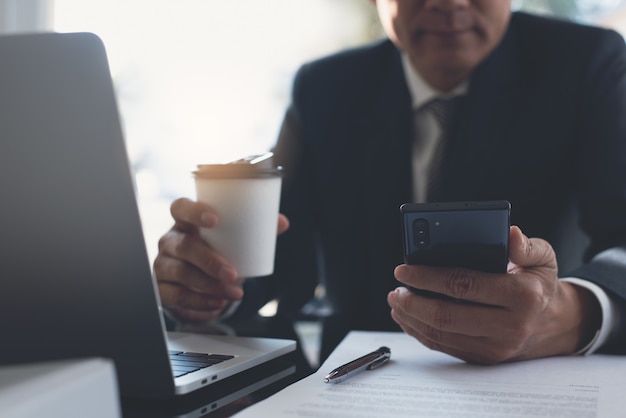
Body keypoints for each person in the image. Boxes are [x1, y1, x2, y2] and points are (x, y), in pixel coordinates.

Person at [154, 0, 626, 364]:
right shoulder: (325, 88)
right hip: (354, 380)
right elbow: (279, 258)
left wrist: (570, 313)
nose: (449, 2)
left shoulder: (586, 63)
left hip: (530, 382)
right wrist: (208, 284)